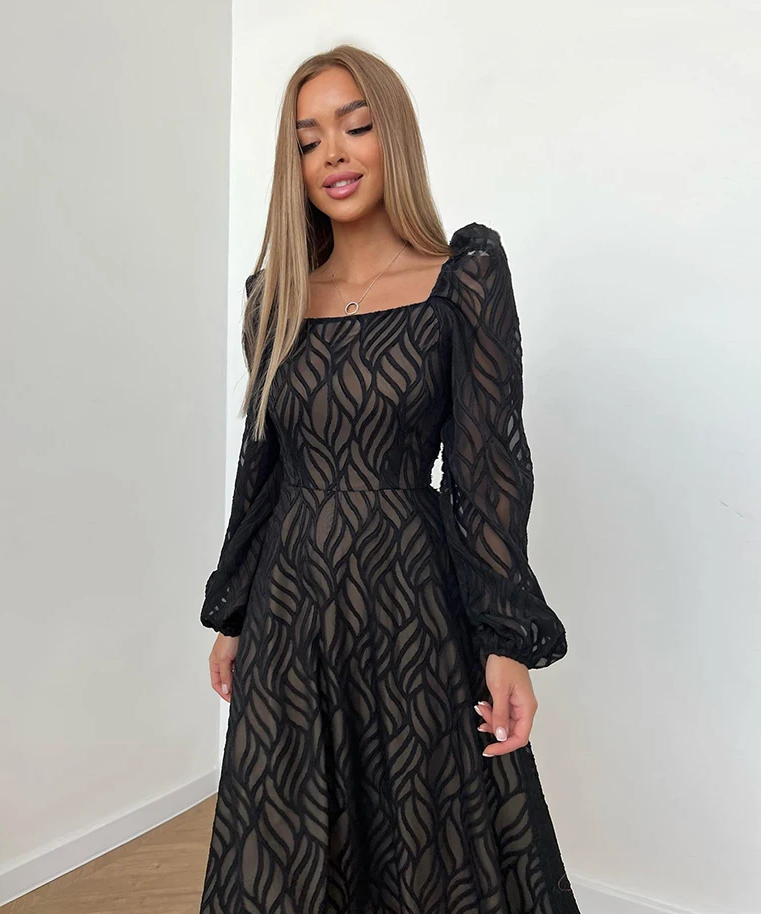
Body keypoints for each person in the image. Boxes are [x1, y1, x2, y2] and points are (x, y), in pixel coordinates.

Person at [199, 43, 580, 914]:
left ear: (392, 136)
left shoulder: (462, 281)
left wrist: (507, 640)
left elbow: (489, 470)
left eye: (355, 127)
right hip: (290, 608)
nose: (331, 154)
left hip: (412, 603)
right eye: (307, 140)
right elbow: (263, 469)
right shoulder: (274, 297)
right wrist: (235, 613)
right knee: (279, 848)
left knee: (426, 848)